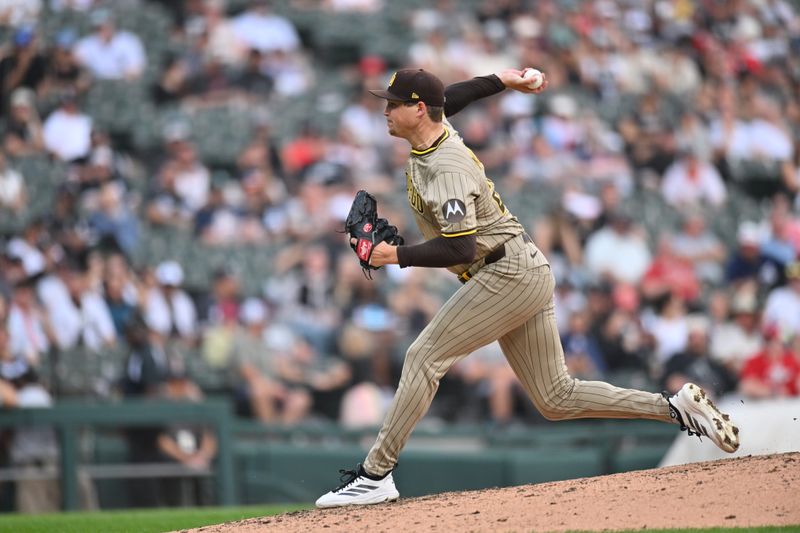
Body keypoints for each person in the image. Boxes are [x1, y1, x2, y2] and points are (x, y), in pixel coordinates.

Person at [315, 68, 740, 508]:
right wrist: (501, 79)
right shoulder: (436, 131)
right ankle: (674, 408)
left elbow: (460, 247)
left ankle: (375, 473)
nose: (385, 110)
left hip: (506, 272)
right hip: (519, 268)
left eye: (393, 103)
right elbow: (451, 98)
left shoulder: (445, 166)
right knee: (556, 398)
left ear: (418, 109)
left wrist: (395, 257)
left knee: (424, 356)